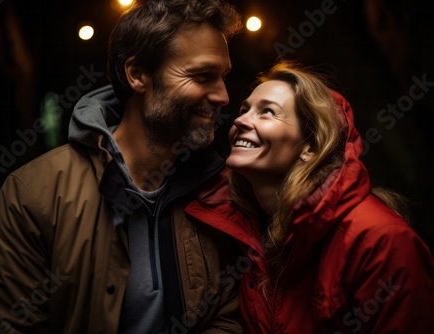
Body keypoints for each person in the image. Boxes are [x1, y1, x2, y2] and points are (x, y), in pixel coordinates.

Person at [0, 1, 244, 333]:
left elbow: (227, 316)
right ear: (137, 74)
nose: (223, 96)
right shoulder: (34, 194)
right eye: (203, 76)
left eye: (222, 77)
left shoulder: (218, 193)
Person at [186, 60, 434, 333]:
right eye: (244, 110)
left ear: (311, 146)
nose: (240, 120)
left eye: (267, 112)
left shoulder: (381, 240)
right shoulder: (250, 234)